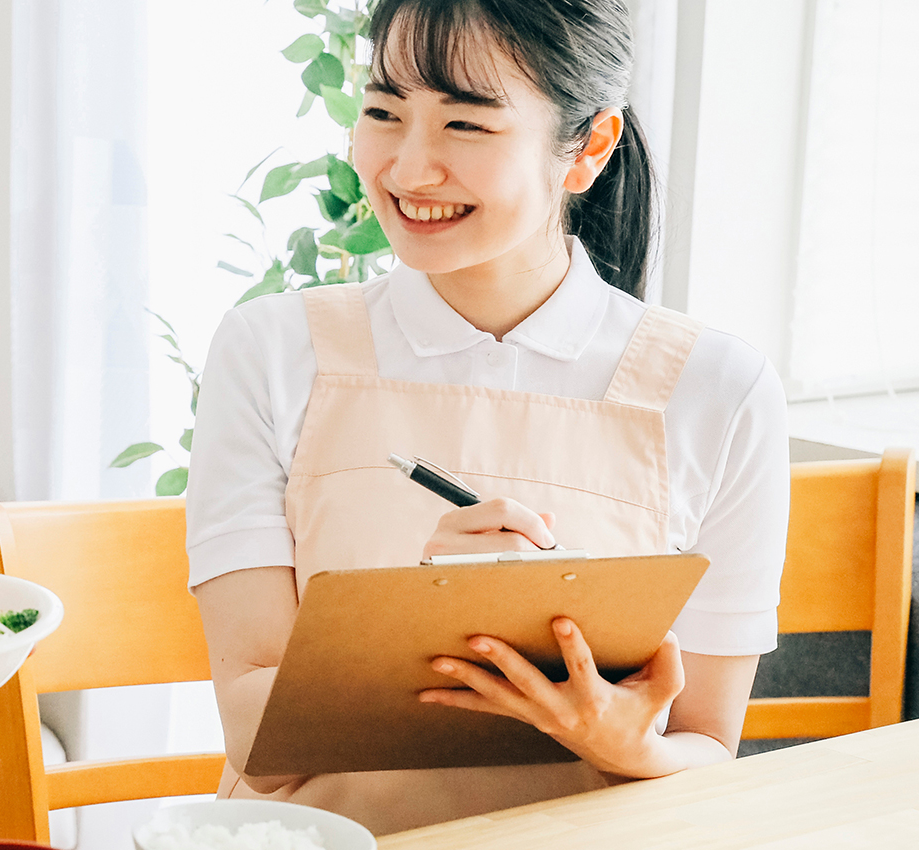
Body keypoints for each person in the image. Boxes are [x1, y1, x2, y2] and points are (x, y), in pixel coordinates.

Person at [185, 0, 787, 835]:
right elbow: (259, 746)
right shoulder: (271, 350)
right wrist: (422, 613)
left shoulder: (719, 389)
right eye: (384, 111)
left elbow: (707, 747)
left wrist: (625, 745)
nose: (409, 169)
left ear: (590, 147)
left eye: (466, 124)